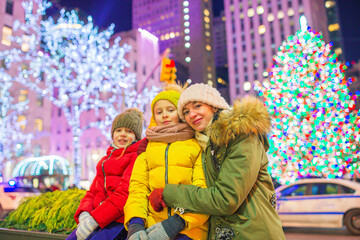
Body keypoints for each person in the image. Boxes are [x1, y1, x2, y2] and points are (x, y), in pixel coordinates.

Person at [148, 83, 285, 240]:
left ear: (214, 106)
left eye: (197, 106)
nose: (191, 114)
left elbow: (225, 199)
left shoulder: (241, 135)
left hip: (253, 233)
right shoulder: (207, 144)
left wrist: (168, 193)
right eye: (185, 112)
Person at [124, 84, 209, 240]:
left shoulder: (196, 145)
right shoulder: (147, 148)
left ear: (182, 113)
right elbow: (138, 189)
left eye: (171, 110)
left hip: (189, 228)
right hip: (151, 226)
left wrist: (176, 223)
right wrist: (135, 223)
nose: (164, 115)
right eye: (159, 112)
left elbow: (202, 191)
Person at [66, 108, 144, 240]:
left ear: (136, 136)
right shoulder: (105, 160)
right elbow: (92, 191)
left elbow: (123, 195)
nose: (123, 134)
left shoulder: (136, 158)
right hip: (98, 217)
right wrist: (84, 212)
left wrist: (94, 220)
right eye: (118, 130)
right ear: (112, 134)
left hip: (118, 221)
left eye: (129, 131)